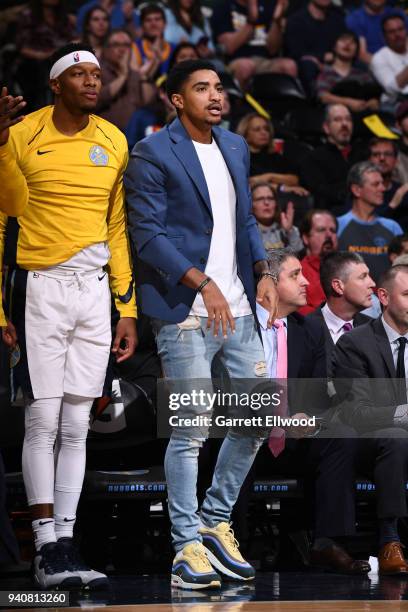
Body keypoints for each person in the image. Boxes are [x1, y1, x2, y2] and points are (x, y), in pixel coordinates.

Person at [125, 59, 278, 589]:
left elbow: (244, 220)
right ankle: (185, 544)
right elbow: (146, 235)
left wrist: (261, 269)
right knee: (190, 432)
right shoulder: (151, 153)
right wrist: (201, 282)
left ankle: (215, 520)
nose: (215, 96)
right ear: (175, 98)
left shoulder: (235, 146)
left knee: (257, 419)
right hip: (184, 313)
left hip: (237, 308)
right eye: (201, 88)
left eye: (218, 87)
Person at [0, 42, 137, 589]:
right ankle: (42, 544)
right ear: (55, 83)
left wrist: (126, 306)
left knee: (79, 423)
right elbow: (5, 216)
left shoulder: (114, 139)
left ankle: (66, 544)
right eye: (78, 74)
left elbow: (116, 228)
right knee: (43, 418)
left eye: (97, 75)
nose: (91, 82)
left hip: (95, 291)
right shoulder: (22, 133)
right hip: (40, 288)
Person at [240, 248, 369, 575]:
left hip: (291, 438)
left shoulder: (309, 329)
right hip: (247, 433)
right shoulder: (241, 325)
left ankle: (326, 541)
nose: (307, 282)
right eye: (295, 275)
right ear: (268, 281)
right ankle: (232, 544)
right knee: (231, 438)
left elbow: (315, 392)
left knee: (340, 436)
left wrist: (307, 416)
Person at [333, 264, 408, 575]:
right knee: (395, 437)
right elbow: (357, 412)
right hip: (371, 443)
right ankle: (390, 540)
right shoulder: (356, 343)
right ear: (384, 297)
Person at [338, 161, 403, 283]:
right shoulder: (338, 226)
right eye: (375, 184)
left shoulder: (392, 227)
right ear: (357, 190)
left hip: (387, 298)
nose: (382, 188)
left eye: (382, 183)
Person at [309, 251, 374, 373]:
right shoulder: (305, 331)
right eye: (363, 277)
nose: (372, 284)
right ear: (338, 286)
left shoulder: (375, 329)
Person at [211, 0, 297, 90]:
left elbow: (273, 49)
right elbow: (228, 48)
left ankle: (283, 104)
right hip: (235, 61)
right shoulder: (223, 7)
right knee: (245, 67)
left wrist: (276, 20)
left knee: (290, 66)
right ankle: (237, 103)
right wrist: (251, 21)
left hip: (264, 61)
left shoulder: (267, 7)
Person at [299, 104, 362, 214]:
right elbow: (321, 193)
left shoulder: (362, 155)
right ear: (326, 128)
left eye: (348, 119)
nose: (344, 124)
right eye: (337, 120)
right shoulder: (313, 158)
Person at [97, 28, 157, 131]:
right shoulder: (97, 71)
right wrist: (123, 75)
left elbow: (148, 102)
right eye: (116, 45)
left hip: (134, 137)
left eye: (126, 45)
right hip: (105, 134)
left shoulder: (135, 73)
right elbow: (100, 98)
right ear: (105, 49)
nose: (122, 49)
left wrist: (143, 75)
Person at [284, 0, 345, 95]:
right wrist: (321, 57)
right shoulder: (296, 20)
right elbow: (295, 52)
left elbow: (344, 42)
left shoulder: (337, 19)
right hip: (307, 65)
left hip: (334, 61)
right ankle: (316, 102)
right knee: (308, 66)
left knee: (359, 65)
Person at [316, 30, 380, 113]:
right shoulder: (326, 72)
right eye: (343, 40)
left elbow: (374, 94)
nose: (347, 44)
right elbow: (322, 96)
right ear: (334, 46)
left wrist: (373, 101)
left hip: (364, 113)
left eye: (352, 42)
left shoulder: (363, 74)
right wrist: (348, 102)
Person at [236, 113, 302, 188]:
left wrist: (269, 177)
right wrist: (281, 187)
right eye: (257, 129)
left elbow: (294, 180)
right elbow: (247, 185)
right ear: (245, 134)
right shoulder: (239, 160)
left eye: (266, 129)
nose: (264, 133)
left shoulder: (276, 157)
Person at [299, 209, 338, 315]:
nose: (329, 235)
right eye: (321, 230)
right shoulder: (298, 273)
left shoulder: (349, 268)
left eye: (333, 230)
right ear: (306, 238)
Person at [346, 0, 408, 65]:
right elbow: (362, 54)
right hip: (372, 67)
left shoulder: (398, 14)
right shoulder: (355, 19)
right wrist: (387, 67)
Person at [368, 137, 408, 229]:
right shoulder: (362, 192)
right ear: (369, 160)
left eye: (388, 154)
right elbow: (365, 225)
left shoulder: (404, 192)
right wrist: (393, 204)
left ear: (396, 161)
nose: (382, 158)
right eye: (376, 154)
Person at [251, 182, 303, 252]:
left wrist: (289, 231)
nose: (266, 202)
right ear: (251, 204)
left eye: (270, 198)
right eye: (260, 199)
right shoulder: (248, 232)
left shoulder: (286, 229)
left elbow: (298, 253)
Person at [370, 14, 408, 109]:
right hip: (396, 103)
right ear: (384, 36)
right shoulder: (379, 58)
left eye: (400, 29)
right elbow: (392, 89)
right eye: (392, 31)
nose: (397, 34)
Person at [132, 3, 175, 80]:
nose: (153, 23)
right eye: (148, 20)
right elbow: (137, 80)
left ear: (165, 24)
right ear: (142, 26)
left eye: (157, 19)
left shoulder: (175, 48)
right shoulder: (135, 47)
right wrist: (155, 60)